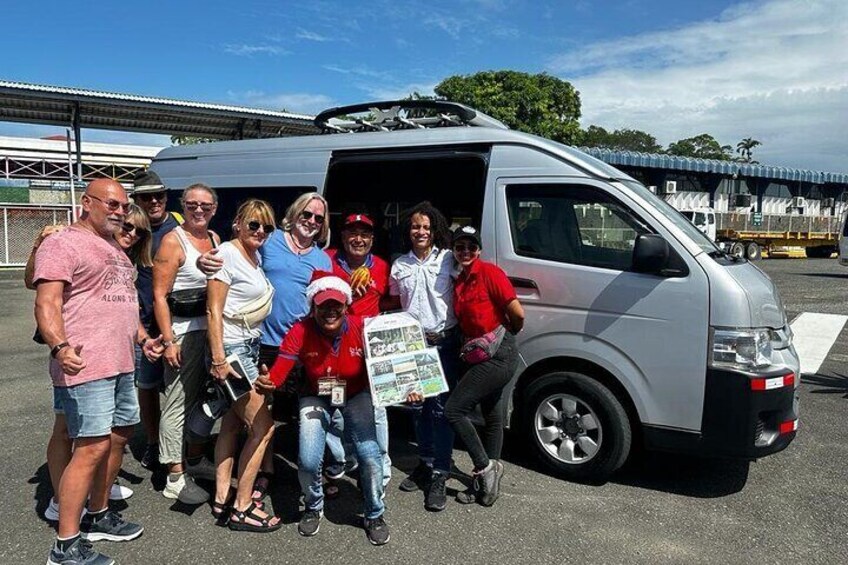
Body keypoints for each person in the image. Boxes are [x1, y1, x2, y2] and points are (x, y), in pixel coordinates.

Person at [35, 179, 163, 565]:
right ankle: (66, 546)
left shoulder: (116, 251)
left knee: (117, 438)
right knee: (89, 448)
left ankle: (98, 513)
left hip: (123, 363)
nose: (120, 212)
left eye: (123, 206)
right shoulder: (63, 242)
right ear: (86, 203)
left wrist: (144, 339)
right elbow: (47, 302)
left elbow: (122, 305)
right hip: (86, 363)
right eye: (111, 204)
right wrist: (59, 345)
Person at [198, 191, 332, 501]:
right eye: (307, 214)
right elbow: (223, 259)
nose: (311, 221)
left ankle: (312, 470)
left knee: (302, 409)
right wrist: (202, 258)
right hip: (263, 343)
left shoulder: (321, 257)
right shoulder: (269, 242)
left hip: (298, 345)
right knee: (261, 413)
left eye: (318, 218)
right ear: (295, 214)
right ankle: (264, 473)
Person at [258, 271, 390, 545]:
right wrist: (268, 381)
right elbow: (280, 369)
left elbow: (394, 364)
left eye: (336, 305)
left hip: (355, 393)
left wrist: (409, 389)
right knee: (307, 459)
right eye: (323, 306)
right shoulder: (300, 330)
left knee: (369, 455)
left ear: (346, 306)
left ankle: (374, 512)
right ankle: (313, 505)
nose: (330, 311)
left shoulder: (362, 327)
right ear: (313, 307)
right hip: (316, 395)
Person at [206, 199, 281, 532]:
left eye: (267, 226)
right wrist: (220, 359)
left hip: (247, 346)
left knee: (231, 426)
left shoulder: (254, 257)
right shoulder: (226, 254)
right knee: (263, 427)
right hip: (233, 353)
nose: (261, 231)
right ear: (237, 223)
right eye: (254, 224)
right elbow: (213, 311)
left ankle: (222, 497)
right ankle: (243, 506)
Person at [384, 201, 460, 512]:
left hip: (443, 343)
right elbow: (390, 304)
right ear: (408, 230)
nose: (421, 231)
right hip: (411, 346)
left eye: (427, 227)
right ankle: (426, 463)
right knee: (417, 408)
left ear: (435, 230)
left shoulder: (448, 261)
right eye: (416, 226)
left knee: (441, 410)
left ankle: (440, 472)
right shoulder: (399, 265)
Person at [444, 225, 525, 507]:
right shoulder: (460, 280)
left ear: (479, 249)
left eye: (470, 246)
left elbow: (517, 313)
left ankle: (484, 467)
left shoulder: (490, 273)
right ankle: (488, 481)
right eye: (459, 247)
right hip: (477, 355)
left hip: (499, 354)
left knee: (454, 410)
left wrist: (503, 336)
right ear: (454, 251)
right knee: (491, 414)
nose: (465, 251)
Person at [153, 183, 220, 504]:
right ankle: (174, 476)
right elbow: (159, 296)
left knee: (200, 401)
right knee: (177, 401)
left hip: (210, 331)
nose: (199, 209)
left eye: (205, 205)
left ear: (214, 209)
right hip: (182, 332)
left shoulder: (215, 239)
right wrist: (168, 340)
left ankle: (193, 460)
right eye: (192, 204)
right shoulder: (172, 241)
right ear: (183, 205)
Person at [325, 212, 392, 493]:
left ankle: (381, 466)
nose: (358, 239)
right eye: (352, 232)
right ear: (342, 236)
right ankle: (344, 459)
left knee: (377, 411)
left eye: (365, 234)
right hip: (334, 350)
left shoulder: (381, 266)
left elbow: (390, 302)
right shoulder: (327, 259)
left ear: (372, 239)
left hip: (369, 352)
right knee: (336, 409)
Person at [130, 169, 183, 469]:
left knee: (181, 389)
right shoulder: (130, 230)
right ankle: (153, 442)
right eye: (146, 196)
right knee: (148, 388)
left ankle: (179, 444)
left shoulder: (179, 223)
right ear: (136, 199)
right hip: (148, 329)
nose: (154, 201)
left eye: (159, 195)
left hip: (181, 325)